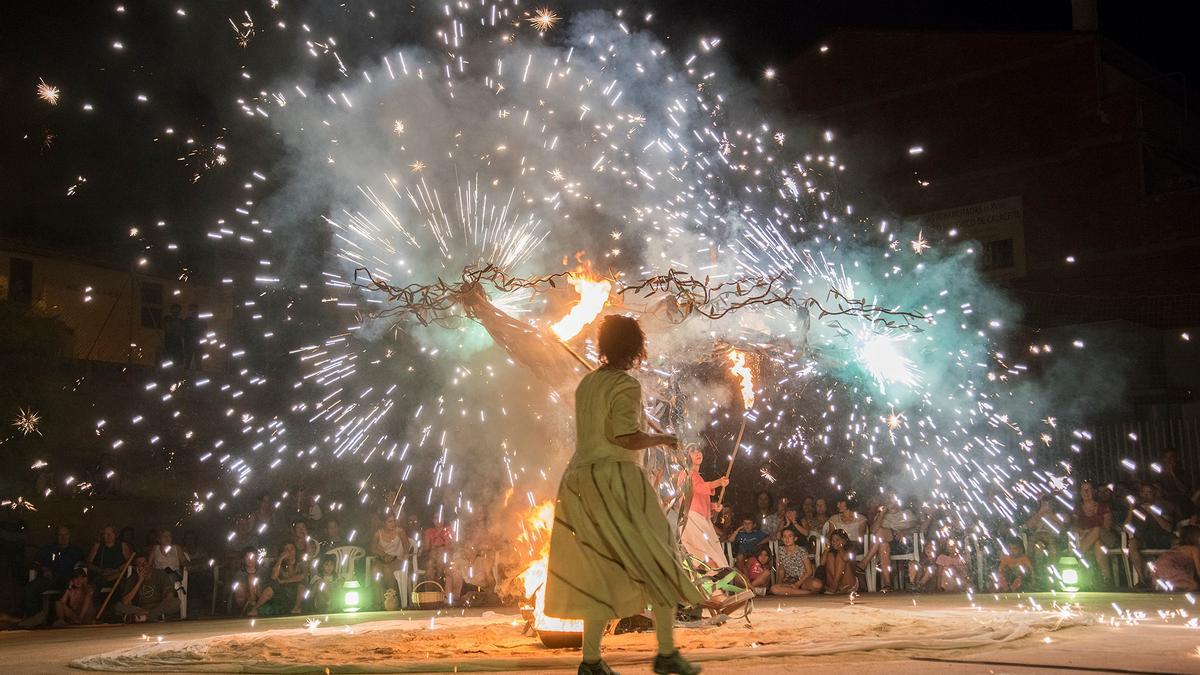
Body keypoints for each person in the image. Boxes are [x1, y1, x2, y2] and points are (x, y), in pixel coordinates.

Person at [544, 315, 703, 675]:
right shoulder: (627, 386)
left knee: (599, 569)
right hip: (616, 479)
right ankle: (665, 654)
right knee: (660, 557)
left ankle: (591, 661)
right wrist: (663, 438)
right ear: (634, 348)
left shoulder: (587, 384)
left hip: (578, 482)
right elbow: (624, 438)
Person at [680, 444, 729, 570]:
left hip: (700, 520)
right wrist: (718, 482)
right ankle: (713, 587)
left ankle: (714, 587)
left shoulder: (698, 476)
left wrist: (713, 506)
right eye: (693, 451)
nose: (698, 453)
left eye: (699, 450)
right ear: (687, 456)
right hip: (691, 520)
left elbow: (699, 498)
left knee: (710, 556)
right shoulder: (685, 474)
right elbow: (698, 488)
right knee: (707, 556)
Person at [1127, 483, 1177, 586]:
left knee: (1177, 542)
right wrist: (1131, 509)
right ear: (1140, 494)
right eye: (1143, 493)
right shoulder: (1136, 509)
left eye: (1149, 493)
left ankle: (1176, 580)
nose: (1146, 495)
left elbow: (1168, 528)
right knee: (1132, 543)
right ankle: (1143, 580)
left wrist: (1152, 511)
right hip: (1144, 538)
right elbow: (1126, 526)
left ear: (1154, 494)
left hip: (1161, 538)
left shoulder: (1162, 507)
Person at [861, 495, 914, 591]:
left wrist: (904, 532)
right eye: (886, 498)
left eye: (891, 497)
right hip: (889, 544)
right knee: (883, 545)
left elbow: (915, 526)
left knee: (881, 532)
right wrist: (881, 515)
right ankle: (887, 585)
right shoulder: (881, 515)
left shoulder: (906, 513)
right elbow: (873, 531)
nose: (888, 500)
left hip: (904, 543)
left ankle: (864, 562)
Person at [113, 554, 180, 622]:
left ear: (150, 564)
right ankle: (153, 616)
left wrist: (162, 603)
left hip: (158, 606)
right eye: (140, 564)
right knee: (118, 606)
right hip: (140, 608)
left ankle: (144, 617)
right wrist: (139, 581)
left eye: (145, 563)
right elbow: (125, 601)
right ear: (136, 567)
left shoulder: (160, 574)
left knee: (176, 602)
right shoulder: (132, 578)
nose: (144, 566)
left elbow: (169, 595)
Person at [1073, 480, 1114, 588]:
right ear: (1080, 492)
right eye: (1083, 490)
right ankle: (1106, 579)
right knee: (1098, 545)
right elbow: (1074, 527)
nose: (1086, 492)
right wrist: (1083, 531)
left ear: (1094, 491)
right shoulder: (1078, 508)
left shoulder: (1103, 506)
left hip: (1107, 538)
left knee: (1097, 530)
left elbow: (1106, 528)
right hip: (1090, 540)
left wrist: (1091, 529)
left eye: (1089, 489)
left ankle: (1077, 556)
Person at [372, 514, 411, 609]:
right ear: (384, 523)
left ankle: (392, 597)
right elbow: (372, 548)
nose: (393, 523)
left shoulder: (400, 531)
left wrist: (402, 555)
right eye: (390, 521)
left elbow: (407, 545)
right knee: (375, 570)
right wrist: (384, 555)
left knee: (387, 570)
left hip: (397, 559)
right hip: (383, 559)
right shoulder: (378, 534)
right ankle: (378, 601)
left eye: (394, 521)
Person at [1024, 494, 1063, 587]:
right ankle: (1038, 577)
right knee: (1038, 548)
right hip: (1038, 539)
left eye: (1048, 504)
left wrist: (1050, 515)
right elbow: (1027, 525)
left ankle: (1051, 575)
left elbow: (1063, 524)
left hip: (1052, 538)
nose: (1046, 506)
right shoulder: (1037, 515)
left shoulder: (1058, 515)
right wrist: (1040, 513)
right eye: (1043, 504)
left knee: (1051, 546)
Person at [770, 528, 823, 596]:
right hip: (790, 581)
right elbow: (781, 569)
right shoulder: (781, 550)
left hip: (803, 580)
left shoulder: (801, 550)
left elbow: (809, 571)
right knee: (774, 589)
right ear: (782, 539)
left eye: (790, 536)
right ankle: (807, 593)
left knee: (818, 584)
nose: (787, 539)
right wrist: (779, 583)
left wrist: (798, 584)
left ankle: (794, 592)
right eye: (784, 536)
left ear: (795, 538)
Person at [1150, 525, 1200, 592]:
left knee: (1189, 584)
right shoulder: (1194, 549)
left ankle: (1164, 585)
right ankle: (1166, 585)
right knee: (1193, 585)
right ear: (1194, 537)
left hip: (1158, 565)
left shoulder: (1178, 546)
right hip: (1169, 566)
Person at [266, 542, 306, 615]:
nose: (290, 551)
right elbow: (273, 577)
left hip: (297, 592)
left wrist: (284, 581)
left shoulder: (301, 562)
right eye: (287, 549)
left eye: (292, 549)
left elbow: (302, 576)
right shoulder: (279, 564)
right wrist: (280, 559)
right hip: (283, 593)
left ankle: (296, 608)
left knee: (302, 586)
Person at [231, 548, 273, 616]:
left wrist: (257, 586)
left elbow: (267, 588)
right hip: (245, 598)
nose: (250, 560)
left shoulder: (263, 571)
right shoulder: (239, 573)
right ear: (244, 559)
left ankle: (254, 607)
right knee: (248, 580)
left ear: (256, 558)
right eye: (247, 557)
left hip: (260, 596)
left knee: (253, 579)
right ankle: (250, 607)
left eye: (252, 557)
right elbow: (237, 591)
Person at [821, 529, 857, 594]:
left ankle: (835, 585)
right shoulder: (830, 550)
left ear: (844, 540)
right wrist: (826, 549)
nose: (834, 542)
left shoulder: (850, 547)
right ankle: (835, 586)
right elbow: (822, 563)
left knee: (840, 557)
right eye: (833, 540)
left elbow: (845, 558)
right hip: (835, 584)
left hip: (848, 582)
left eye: (837, 540)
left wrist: (840, 548)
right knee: (830, 555)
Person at [182, 303, 207, 370]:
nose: (192, 311)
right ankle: (185, 379)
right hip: (189, 343)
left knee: (198, 362)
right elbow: (184, 332)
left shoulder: (202, 321)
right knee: (187, 362)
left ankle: (198, 378)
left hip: (197, 343)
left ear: (197, 310)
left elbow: (204, 332)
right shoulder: (187, 320)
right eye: (190, 309)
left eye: (193, 309)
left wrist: (202, 344)